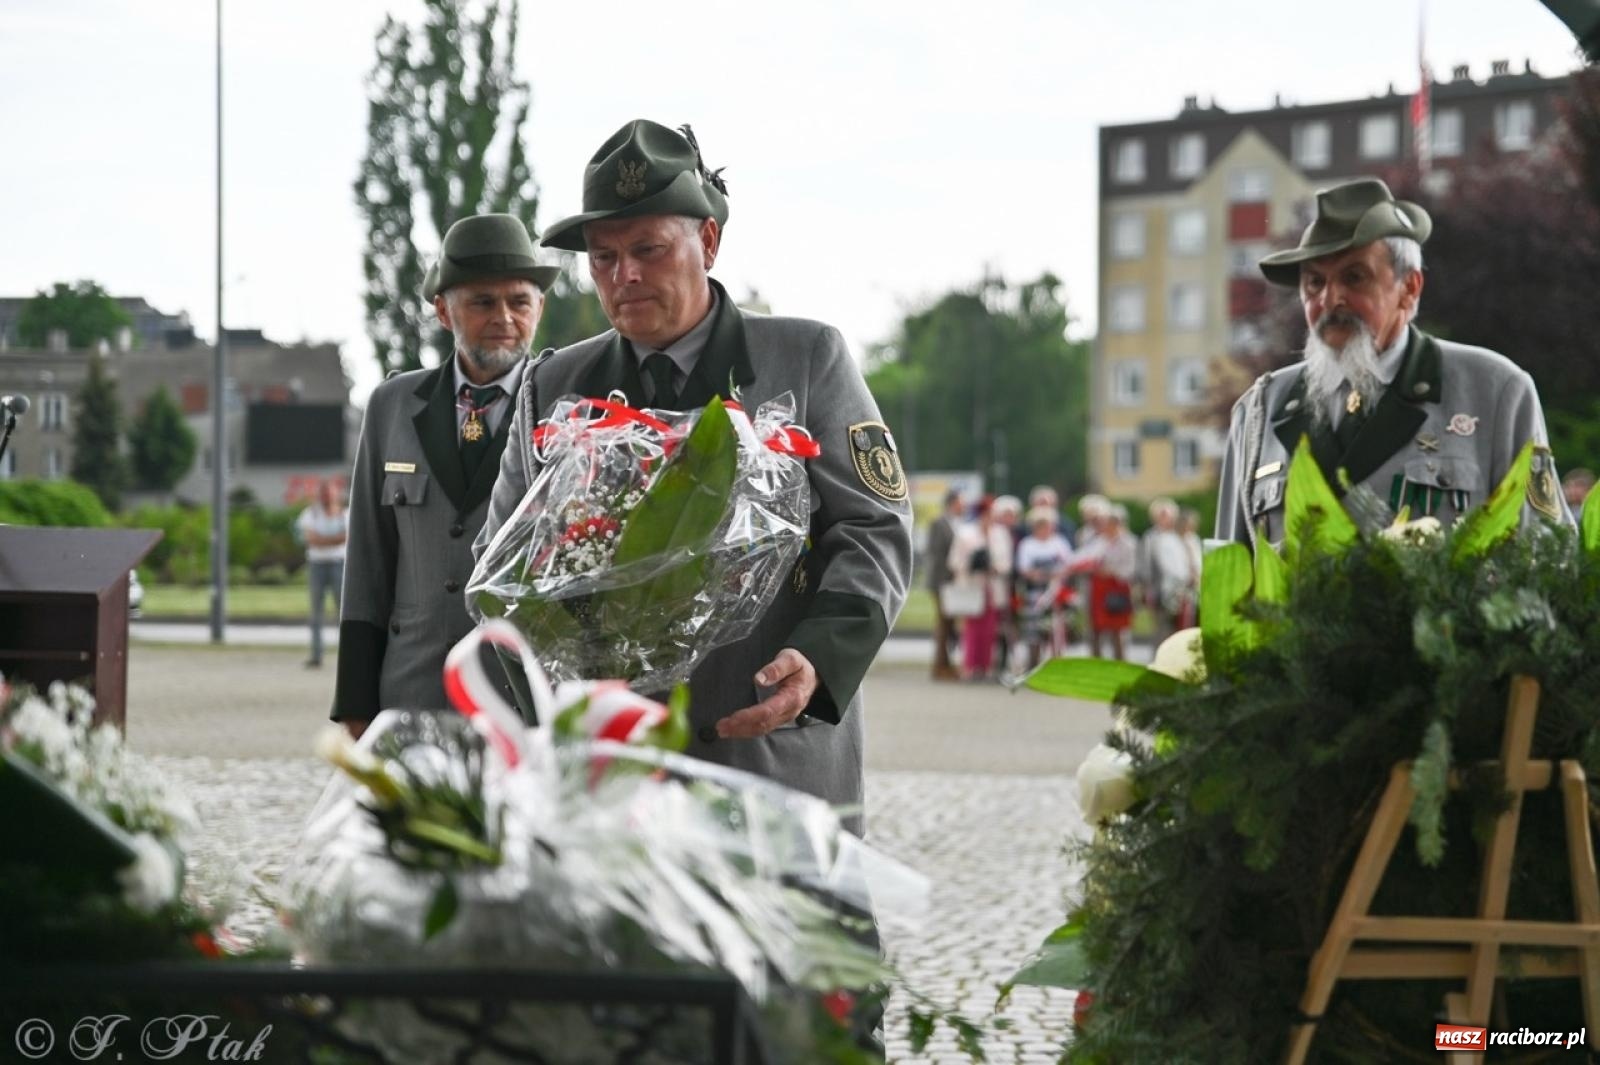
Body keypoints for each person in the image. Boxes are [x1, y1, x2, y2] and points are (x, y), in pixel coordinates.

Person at [477, 120, 912, 833]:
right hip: (611, 782)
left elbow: (876, 528)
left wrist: (819, 657)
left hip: (769, 758)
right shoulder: (551, 384)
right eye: (604, 257)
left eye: (647, 249)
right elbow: (501, 564)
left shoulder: (805, 359)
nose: (626, 276)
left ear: (708, 242)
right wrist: (546, 712)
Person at [1217, 178, 1573, 547]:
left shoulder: (1495, 391)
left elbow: (1546, 558)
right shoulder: (1260, 411)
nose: (1330, 298)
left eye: (1355, 277)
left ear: (1410, 288)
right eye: (1314, 283)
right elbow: (1229, 580)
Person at [333, 214, 559, 737]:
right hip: (411, 694)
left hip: (522, 701)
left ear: (539, 307)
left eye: (519, 301)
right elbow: (367, 562)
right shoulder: (393, 405)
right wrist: (355, 699)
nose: (504, 316)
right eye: (482, 302)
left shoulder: (564, 407)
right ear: (442, 309)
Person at [946, 495, 1013, 681]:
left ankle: (987, 666)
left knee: (990, 629)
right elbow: (953, 561)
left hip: (992, 586)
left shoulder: (1000, 534)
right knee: (971, 629)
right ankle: (970, 666)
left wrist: (995, 566)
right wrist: (972, 563)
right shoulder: (965, 533)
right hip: (972, 586)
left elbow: (1006, 562)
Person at [1073, 504, 1137, 660]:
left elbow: (1130, 569)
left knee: (1117, 630)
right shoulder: (1099, 541)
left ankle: (1119, 663)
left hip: (1117, 589)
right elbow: (1084, 559)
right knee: (1096, 629)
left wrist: (1111, 572)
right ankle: (1097, 662)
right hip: (1099, 589)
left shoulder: (1128, 542)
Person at [1015, 505, 1074, 669]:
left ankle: (1057, 665)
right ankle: (1033, 664)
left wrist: (1055, 575)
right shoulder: (1027, 544)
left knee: (1055, 630)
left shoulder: (1059, 542)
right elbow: (1024, 568)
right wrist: (1040, 574)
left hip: (1054, 593)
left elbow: (1068, 565)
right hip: (1034, 593)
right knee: (1034, 631)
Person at [297, 478, 348, 668]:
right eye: (323, 493)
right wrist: (336, 539)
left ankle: (345, 655)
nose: (326, 496)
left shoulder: (346, 514)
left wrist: (323, 539)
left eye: (330, 492)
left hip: (338, 564)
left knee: (342, 612)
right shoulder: (310, 514)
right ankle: (316, 655)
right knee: (316, 613)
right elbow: (312, 540)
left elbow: (346, 538)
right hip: (317, 565)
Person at [925, 489, 965, 681]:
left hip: (953, 582)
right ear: (952, 503)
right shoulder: (938, 523)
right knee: (943, 623)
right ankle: (939, 666)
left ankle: (946, 664)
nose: (963, 506)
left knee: (949, 624)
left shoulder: (958, 523)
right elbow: (936, 553)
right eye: (960, 502)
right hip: (941, 581)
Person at [1140, 498, 1192, 643]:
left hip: (1180, 589)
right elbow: (1146, 565)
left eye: (1167, 515)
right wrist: (1147, 589)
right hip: (1158, 590)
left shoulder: (1180, 536)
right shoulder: (1151, 537)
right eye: (1161, 515)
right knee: (1161, 629)